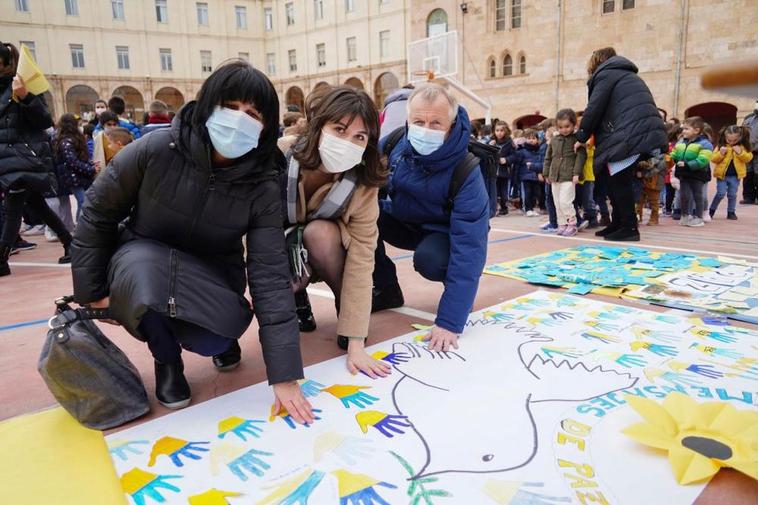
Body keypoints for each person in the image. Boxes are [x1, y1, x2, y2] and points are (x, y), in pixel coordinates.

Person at [70, 61, 314, 423]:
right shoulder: (154, 149)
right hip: (144, 262)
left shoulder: (263, 182)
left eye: (253, 113)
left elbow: (268, 270)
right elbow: (97, 213)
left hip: (213, 276)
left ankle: (223, 338)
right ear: (207, 105)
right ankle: (167, 361)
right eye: (230, 107)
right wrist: (91, 291)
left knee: (215, 338)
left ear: (265, 127)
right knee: (145, 285)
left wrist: (285, 374)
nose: (239, 120)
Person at [278, 86, 391, 378]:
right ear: (319, 125)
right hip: (280, 248)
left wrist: (356, 340)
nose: (347, 142)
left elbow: (363, 254)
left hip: (326, 250)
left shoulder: (364, 180)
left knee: (320, 232)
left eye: (359, 136)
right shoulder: (282, 155)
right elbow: (252, 227)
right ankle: (296, 299)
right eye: (339, 129)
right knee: (278, 290)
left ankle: (347, 312)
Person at [372, 83, 489, 353]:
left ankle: (458, 296)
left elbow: (470, 246)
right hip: (404, 220)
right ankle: (386, 288)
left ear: (451, 123)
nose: (426, 129)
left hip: (443, 233)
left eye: (436, 123)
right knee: (363, 218)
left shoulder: (467, 170)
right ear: (408, 120)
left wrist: (450, 321)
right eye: (419, 121)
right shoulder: (395, 144)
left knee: (430, 259)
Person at [575, 47, 667, 242]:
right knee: (614, 179)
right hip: (634, 133)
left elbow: (595, 107)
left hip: (626, 135)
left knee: (619, 181)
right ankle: (618, 223)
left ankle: (629, 227)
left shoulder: (606, 74)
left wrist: (581, 135)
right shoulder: (624, 74)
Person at [0, 41, 72, 276]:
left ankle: (1, 260)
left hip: (23, 157)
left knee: (13, 208)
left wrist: (25, 97)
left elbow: (44, 121)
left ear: (6, 62)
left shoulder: (25, 85)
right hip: (7, 158)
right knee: (36, 205)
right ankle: (70, 243)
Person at [544, 109, 587, 237]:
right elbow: (548, 157)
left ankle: (572, 224)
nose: (564, 129)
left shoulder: (577, 139)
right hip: (555, 176)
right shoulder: (554, 140)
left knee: (565, 201)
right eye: (561, 127)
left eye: (567, 126)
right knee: (557, 202)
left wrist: (576, 173)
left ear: (574, 125)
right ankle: (562, 224)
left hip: (569, 175)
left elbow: (581, 157)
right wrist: (546, 173)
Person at [670, 116, 713, 227]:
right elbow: (675, 153)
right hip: (683, 174)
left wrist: (688, 165)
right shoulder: (681, 143)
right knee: (684, 195)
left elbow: (703, 159)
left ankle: (699, 217)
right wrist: (671, 158)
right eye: (683, 128)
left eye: (686, 129)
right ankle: (685, 216)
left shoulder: (705, 143)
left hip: (697, 174)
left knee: (698, 195)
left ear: (696, 130)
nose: (683, 131)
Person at [53, 113, 95, 222]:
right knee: (83, 202)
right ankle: (80, 227)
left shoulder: (68, 139)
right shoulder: (67, 141)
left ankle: (81, 226)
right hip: (74, 177)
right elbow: (73, 162)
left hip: (77, 176)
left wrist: (91, 164)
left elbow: (80, 158)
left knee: (84, 202)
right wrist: (90, 168)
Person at [709, 125, 753, 220]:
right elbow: (713, 159)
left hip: (735, 176)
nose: (732, 142)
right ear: (725, 137)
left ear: (740, 137)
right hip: (722, 175)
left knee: (732, 194)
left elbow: (748, 158)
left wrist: (740, 152)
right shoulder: (721, 146)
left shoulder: (742, 147)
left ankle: (731, 212)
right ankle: (711, 210)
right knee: (720, 193)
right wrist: (721, 153)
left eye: (735, 140)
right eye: (729, 140)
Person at [516, 129, 546, 217]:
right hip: (525, 176)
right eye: (529, 138)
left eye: (533, 138)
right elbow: (517, 165)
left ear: (537, 139)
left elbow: (541, 162)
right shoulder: (522, 151)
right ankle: (527, 208)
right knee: (527, 193)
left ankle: (532, 208)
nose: (531, 140)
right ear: (525, 139)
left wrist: (540, 173)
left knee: (534, 193)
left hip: (535, 176)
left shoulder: (539, 150)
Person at [490, 121, 516, 216]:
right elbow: (486, 153)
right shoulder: (492, 141)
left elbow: (514, 156)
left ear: (506, 131)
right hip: (493, 170)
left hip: (504, 171)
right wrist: (490, 145)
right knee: (494, 191)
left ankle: (504, 207)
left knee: (503, 191)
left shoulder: (509, 142)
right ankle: (494, 208)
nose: (499, 133)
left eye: (501, 130)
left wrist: (506, 159)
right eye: (497, 130)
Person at [741, 101, 758, 204]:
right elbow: (742, 132)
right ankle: (748, 197)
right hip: (747, 151)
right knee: (748, 174)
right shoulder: (748, 118)